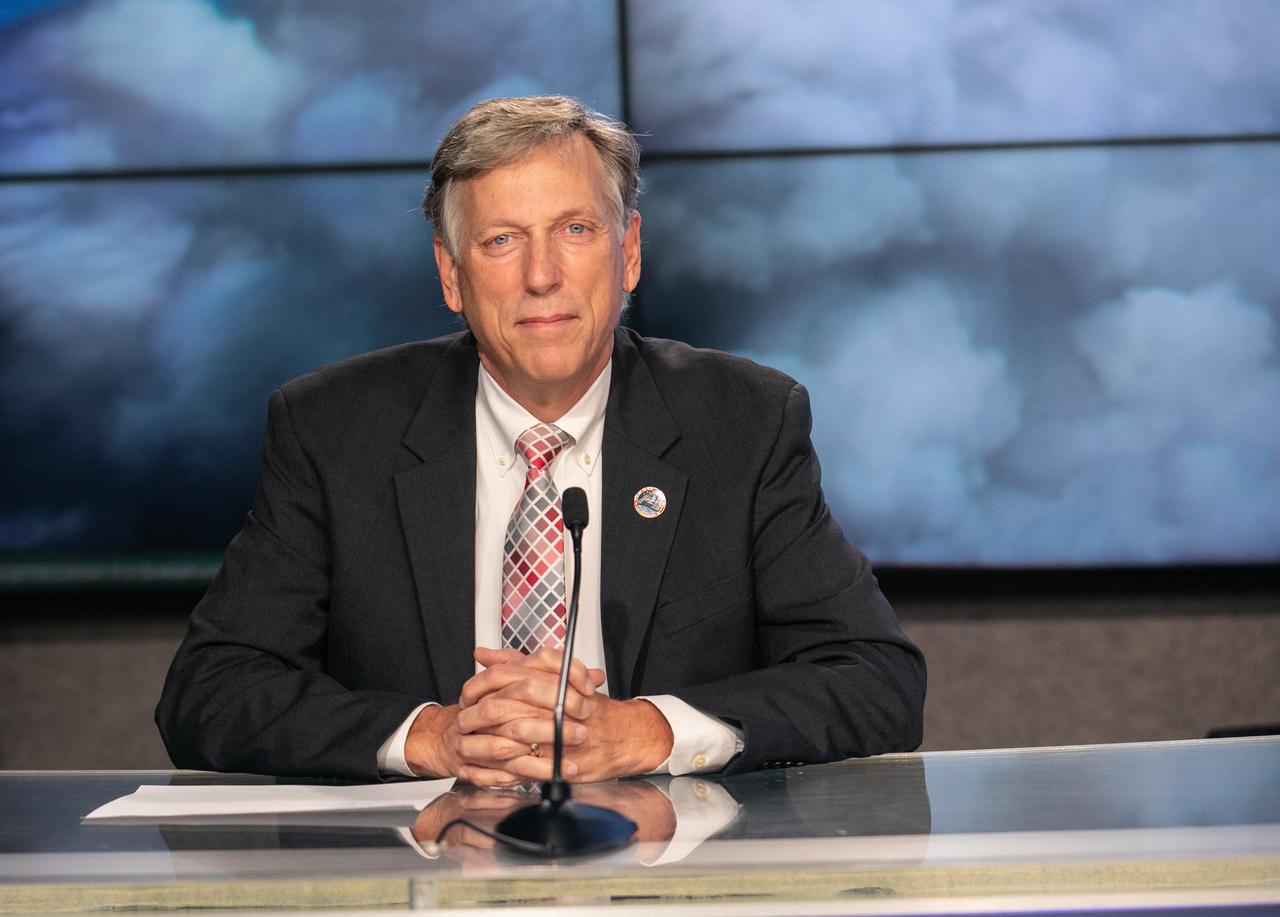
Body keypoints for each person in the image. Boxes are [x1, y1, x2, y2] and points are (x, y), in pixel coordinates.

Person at [156, 96, 925, 785]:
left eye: (575, 230)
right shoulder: (334, 429)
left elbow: (875, 680)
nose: (542, 275)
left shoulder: (744, 420)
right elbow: (209, 690)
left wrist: (649, 730)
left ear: (627, 253)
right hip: (417, 885)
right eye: (500, 240)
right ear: (451, 275)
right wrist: (432, 736)